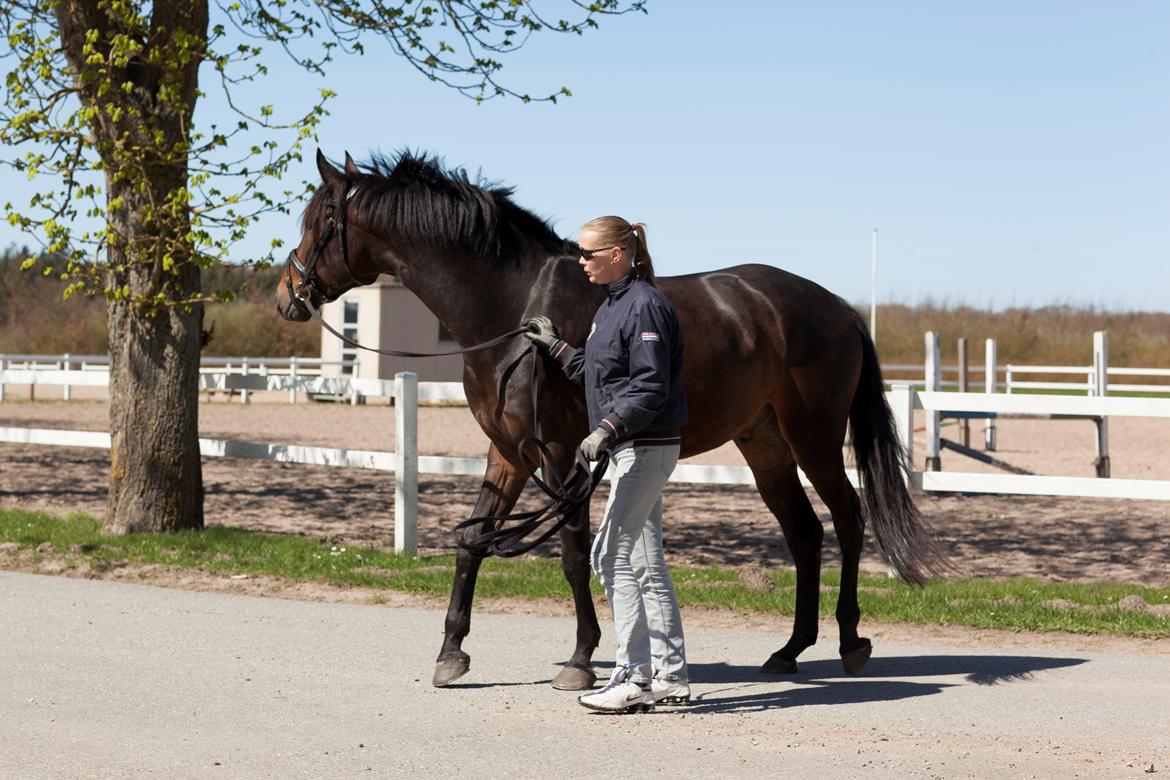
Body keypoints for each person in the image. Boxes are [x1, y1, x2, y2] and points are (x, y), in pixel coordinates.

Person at [523, 216, 690, 714]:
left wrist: (607, 430)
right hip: (632, 446)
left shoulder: (645, 306)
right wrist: (555, 346)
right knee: (645, 562)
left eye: (588, 253)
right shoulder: (612, 306)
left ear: (617, 254)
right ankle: (671, 677)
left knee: (608, 556)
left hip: (643, 446)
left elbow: (649, 385)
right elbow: (600, 376)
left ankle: (633, 676)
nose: (581, 261)